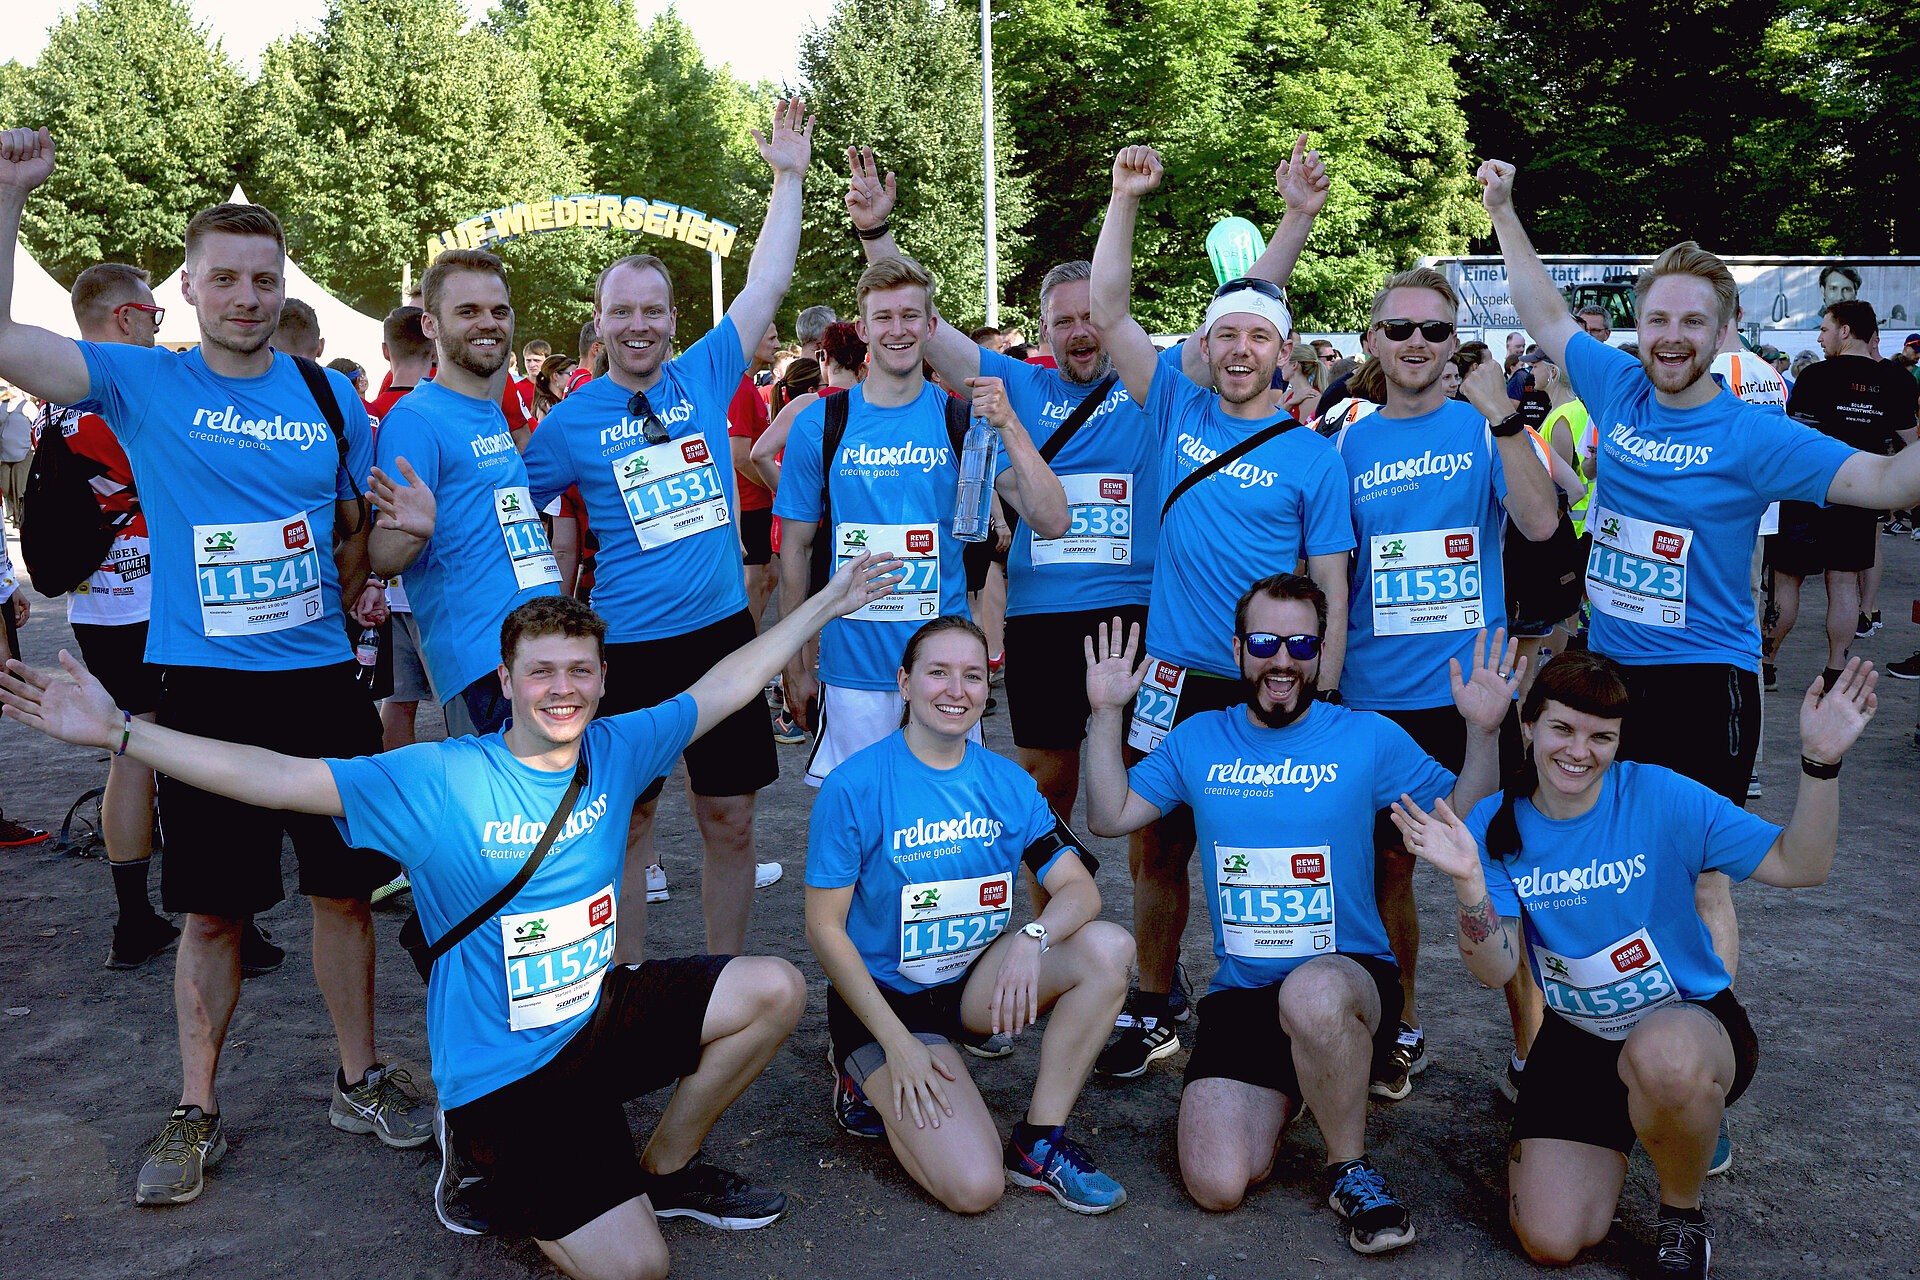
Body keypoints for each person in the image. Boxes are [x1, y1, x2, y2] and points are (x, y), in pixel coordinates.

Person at [3, 552, 904, 1280]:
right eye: (541, 672)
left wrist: (825, 603)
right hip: (503, 1073)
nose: (562, 688)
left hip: (592, 1018)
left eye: (580, 671)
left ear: (603, 681)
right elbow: (272, 774)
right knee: (636, 1267)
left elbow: (730, 681)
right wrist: (120, 734)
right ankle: (482, 1161)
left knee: (773, 988)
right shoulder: (439, 778)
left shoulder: (621, 744)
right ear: (505, 681)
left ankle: (659, 1171)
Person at [0, 124, 416, 1207]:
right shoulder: (144, 381)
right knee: (214, 911)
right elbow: (3, 341)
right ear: (186, 288)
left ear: (283, 288)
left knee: (343, 894)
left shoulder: (328, 396)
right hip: (204, 691)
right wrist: (9, 199)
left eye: (263, 279)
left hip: (322, 683)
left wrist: (397, 543)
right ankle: (197, 1106)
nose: (246, 296)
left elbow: (356, 544)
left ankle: (360, 1078)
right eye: (224, 278)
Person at [1481, 157, 1920, 1171]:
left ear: (1725, 332)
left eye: (1693, 321)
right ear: (1639, 327)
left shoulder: (1756, 434)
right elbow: (1544, 312)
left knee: (1699, 878)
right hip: (1603, 677)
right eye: (1657, 319)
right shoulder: (1616, 387)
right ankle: (1575, 1053)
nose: (1671, 336)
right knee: (1565, 860)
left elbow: (1891, 480)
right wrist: (1502, 210)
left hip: (1702, 684)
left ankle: (1699, 1077)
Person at [1388, 650, 1877, 1279]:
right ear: (1529, 727)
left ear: (1620, 741)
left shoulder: (1659, 795)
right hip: (1580, 1036)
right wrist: (1469, 886)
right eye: (1562, 728)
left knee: (1663, 1059)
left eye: (1601, 737)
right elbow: (1493, 969)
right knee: (1549, 1240)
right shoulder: (1494, 821)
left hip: (1688, 1023)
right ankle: (1642, 1123)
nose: (1579, 751)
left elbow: (1800, 864)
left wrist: (1821, 765)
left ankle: (1681, 1211)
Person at [1081, 574, 1520, 1253]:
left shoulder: (1367, 737)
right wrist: (1107, 713)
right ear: (1237, 649)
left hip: (1347, 980)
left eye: (1300, 645)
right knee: (1217, 1182)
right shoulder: (1200, 739)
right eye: (1264, 643)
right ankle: (1305, 1077)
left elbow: (1464, 812)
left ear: (1320, 653)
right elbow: (1109, 816)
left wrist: (1484, 733)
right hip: (1245, 991)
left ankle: (1350, 1167)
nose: (1281, 661)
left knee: (1312, 995)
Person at [522, 99, 815, 959]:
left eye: (653, 310)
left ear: (674, 320)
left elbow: (766, 281)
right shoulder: (570, 422)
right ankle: (627, 986)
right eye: (623, 312)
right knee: (630, 822)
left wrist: (788, 180)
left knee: (730, 821)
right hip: (630, 647)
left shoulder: (705, 373)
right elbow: (507, 508)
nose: (639, 325)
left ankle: (723, 980)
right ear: (601, 320)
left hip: (721, 639)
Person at [1087, 143, 1355, 1078]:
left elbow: (1332, 586)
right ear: (1205, 346)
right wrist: (1124, 199)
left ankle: (1281, 1007)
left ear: (1284, 351)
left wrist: (1322, 691)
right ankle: (1154, 1003)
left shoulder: (1313, 456)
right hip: (1170, 678)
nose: (1241, 350)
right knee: (1157, 851)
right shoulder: (1175, 409)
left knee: (1273, 854)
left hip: (1268, 681)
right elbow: (1109, 311)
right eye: (1226, 335)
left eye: (1258, 337)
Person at [804, 615, 1134, 1213]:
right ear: (904, 683)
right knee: (975, 1188)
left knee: (1108, 949)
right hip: (885, 1005)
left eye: (973, 676)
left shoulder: (1008, 784)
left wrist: (1033, 936)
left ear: (987, 687)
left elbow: (1080, 891)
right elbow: (824, 929)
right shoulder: (853, 786)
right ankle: (860, 1072)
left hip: (971, 985)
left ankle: (1038, 1144)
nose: (956, 690)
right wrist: (898, 1043)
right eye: (938, 673)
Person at [1329, 265, 1558, 1100]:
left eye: (1435, 330)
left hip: (1474, 699)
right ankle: (1401, 1028)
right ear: (1373, 342)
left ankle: (1536, 1052)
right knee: (1386, 876)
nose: (1417, 343)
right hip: (1374, 700)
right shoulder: (1345, 444)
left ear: (1454, 343)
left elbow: (1540, 521)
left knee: (1501, 877)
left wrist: (1504, 418)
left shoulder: (1484, 428)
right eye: (1401, 329)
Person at [773, 252, 1068, 787]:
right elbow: (795, 550)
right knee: (857, 828)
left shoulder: (962, 421)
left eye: (911, 316)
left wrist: (1010, 425)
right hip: (852, 674)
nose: (898, 330)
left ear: (931, 326)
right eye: (883, 317)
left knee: (946, 829)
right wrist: (795, 663)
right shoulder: (821, 423)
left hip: (944, 677)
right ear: (863, 330)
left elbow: (1053, 520)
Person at [29, 263, 177, 967]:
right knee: (174, 751)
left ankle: (136, 918)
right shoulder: (122, 397)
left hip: (98, 601)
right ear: (125, 316)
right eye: (154, 314)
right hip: (155, 600)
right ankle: (208, 919)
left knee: (131, 747)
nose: (157, 326)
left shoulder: (57, 400)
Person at [368, 248, 562, 739]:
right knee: (508, 791)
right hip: (487, 666)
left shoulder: (487, 408)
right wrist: (413, 532)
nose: (488, 323)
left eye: (499, 310)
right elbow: (383, 557)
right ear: (431, 325)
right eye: (468, 311)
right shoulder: (414, 421)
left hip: (541, 642)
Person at [1764, 300, 1919, 685]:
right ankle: (1835, 669)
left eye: (1824, 329)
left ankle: (1766, 664)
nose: (1820, 338)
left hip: (1805, 491)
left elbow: (1793, 437)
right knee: (1844, 583)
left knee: (1786, 580)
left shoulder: (1815, 375)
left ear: (1845, 331)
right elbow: (1912, 443)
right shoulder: (1896, 380)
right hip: (1861, 493)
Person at [728, 320, 782, 627]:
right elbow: (739, 456)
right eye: (771, 338)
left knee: (768, 575)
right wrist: (774, 486)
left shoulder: (747, 386)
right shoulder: (741, 390)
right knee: (756, 580)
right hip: (749, 503)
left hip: (757, 501)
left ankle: (751, 645)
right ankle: (747, 650)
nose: (777, 345)